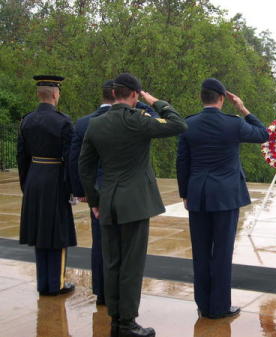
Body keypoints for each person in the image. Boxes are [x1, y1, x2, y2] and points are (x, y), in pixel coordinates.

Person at [79, 73, 187, 337]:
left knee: (112, 261)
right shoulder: (139, 121)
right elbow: (179, 124)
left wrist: (94, 201)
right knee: (131, 264)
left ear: (114, 94)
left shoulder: (95, 124)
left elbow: (85, 167)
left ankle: (115, 318)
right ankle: (127, 322)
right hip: (134, 204)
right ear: (135, 95)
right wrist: (155, 101)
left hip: (108, 201)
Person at [176, 78, 269, 319]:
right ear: (222, 98)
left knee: (201, 251)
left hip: (198, 195)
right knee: (222, 252)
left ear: (202, 98)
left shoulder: (189, 124)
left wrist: (184, 193)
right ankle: (219, 306)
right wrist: (242, 109)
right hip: (226, 197)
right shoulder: (234, 124)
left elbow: (182, 162)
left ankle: (203, 304)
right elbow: (263, 134)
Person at [17, 75, 76, 296]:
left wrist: (26, 184)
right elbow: (70, 159)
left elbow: (21, 156)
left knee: (40, 233)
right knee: (57, 233)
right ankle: (56, 283)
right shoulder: (63, 121)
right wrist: (72, 188)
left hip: (33, 177)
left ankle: (43, 283)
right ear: (54, 94)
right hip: (55, 179)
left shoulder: (27, 120)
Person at [69, 79, 115, 305]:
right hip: (121, 190)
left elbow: (76, 161)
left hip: (96, 192)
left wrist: (82, 191)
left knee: (99, 242)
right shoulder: (127, 120)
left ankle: (101, 291)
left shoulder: (83, 123)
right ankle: (118, 291)